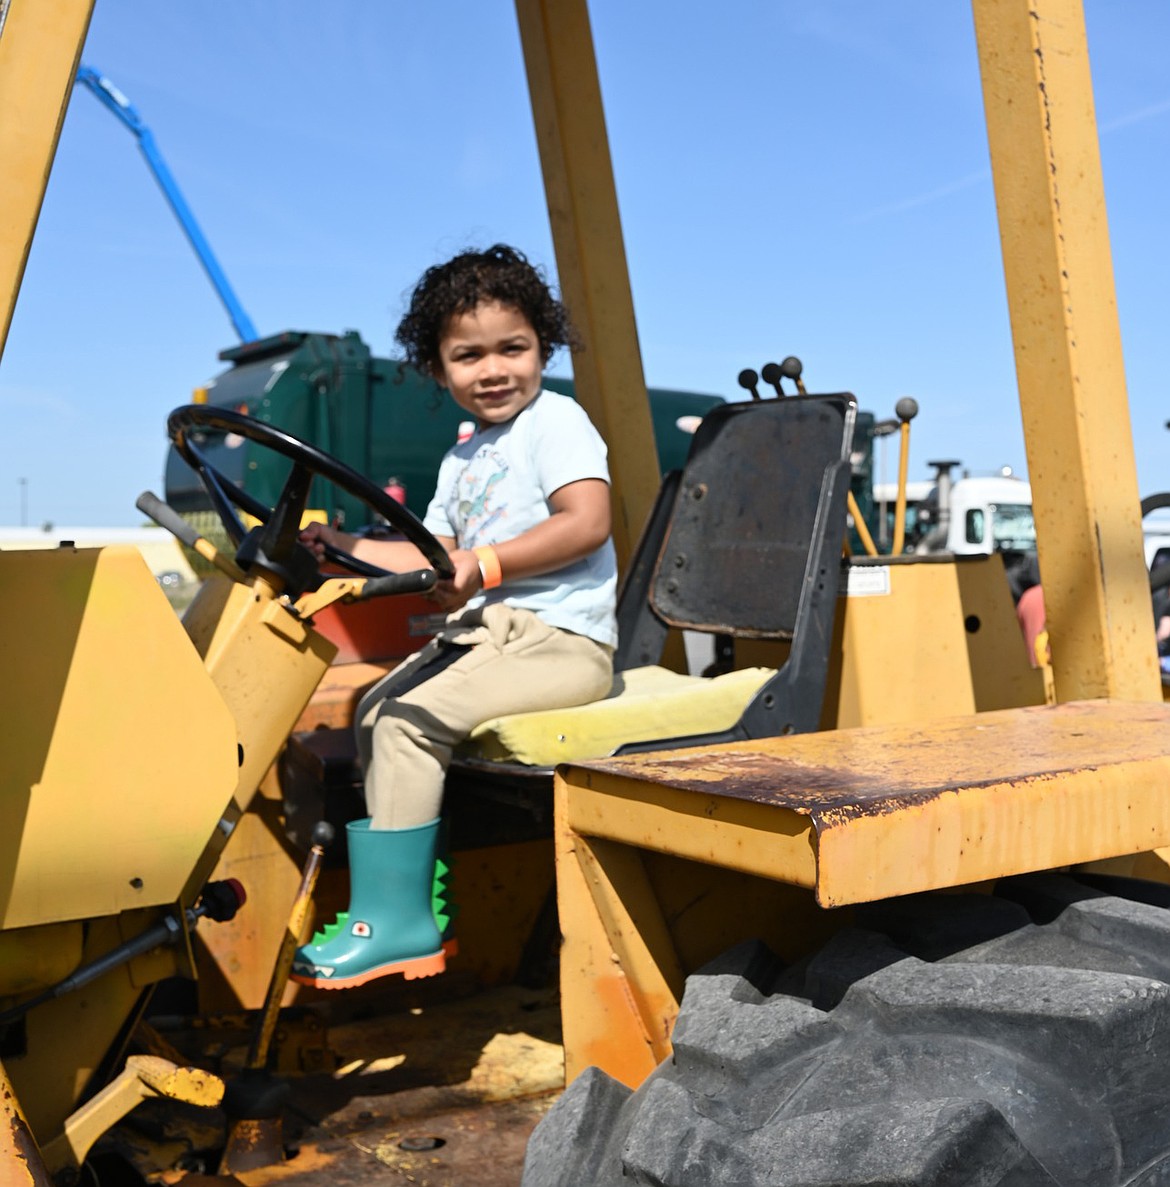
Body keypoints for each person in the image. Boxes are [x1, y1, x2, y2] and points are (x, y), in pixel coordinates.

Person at [291, 245, 617, 990]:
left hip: (560, 641)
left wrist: (489, 564)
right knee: (373, 705)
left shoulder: (556, 423)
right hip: (489, 639)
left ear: (544, 348)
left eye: (514, 347)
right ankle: (402, 898)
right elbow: (436, 552)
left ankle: (397, 922)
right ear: (439, 369)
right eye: (469, 355)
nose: (494, 369)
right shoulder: (465, 456)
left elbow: (587, 521)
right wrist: (340, 545)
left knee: (407, 720)